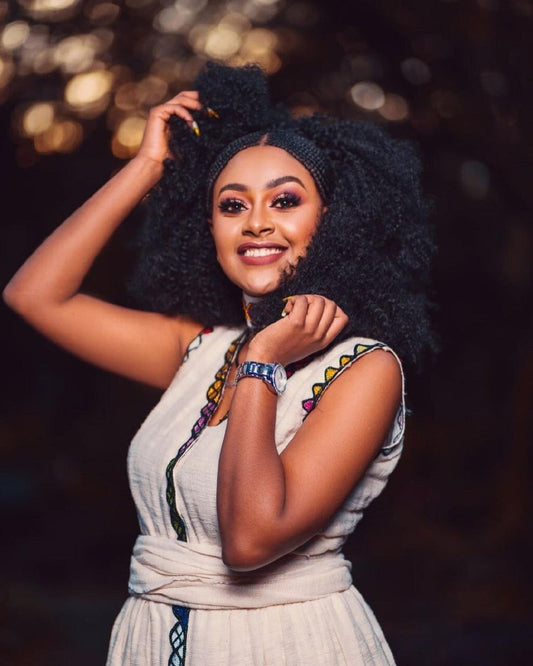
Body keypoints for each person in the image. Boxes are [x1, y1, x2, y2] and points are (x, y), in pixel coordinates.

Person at [3, 62, 434, 665]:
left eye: (285, 200)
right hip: (155, 639)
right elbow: (34, 295)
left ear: (333, 219)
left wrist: (263, 360)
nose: (256, 222)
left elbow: (250, 542)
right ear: (209, 228)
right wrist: (148, 165)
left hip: (285, 647)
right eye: (232, 205)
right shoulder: (202, 348)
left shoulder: (364, 369)